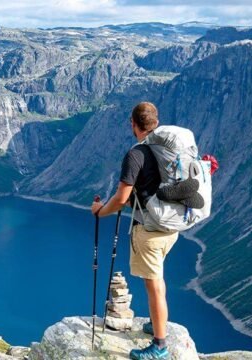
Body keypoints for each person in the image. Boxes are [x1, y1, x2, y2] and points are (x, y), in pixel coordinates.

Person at [91, 102, 178, 360]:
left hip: (149, 231)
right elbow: (148, 191)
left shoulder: (136, 154)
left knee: (153, 286)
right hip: (170, 227)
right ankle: (156, 323)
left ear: (133, 124)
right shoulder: (166, 148)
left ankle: (159, 345)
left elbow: (121, 198)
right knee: (158, 280)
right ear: (155, 122)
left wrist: (100, 211)